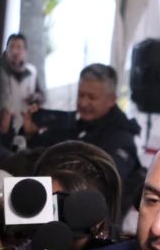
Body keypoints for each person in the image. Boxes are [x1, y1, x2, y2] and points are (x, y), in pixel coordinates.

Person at [25, 63, 145, 214]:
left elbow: (106, 184)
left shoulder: (121, 138)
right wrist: (32, 136)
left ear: (111, 100)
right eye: (80, 95)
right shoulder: (72, 124)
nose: (83, 103)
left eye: (92, 97)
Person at [0, 33, 43, 135]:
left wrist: (35, 97)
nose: (14, 52)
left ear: (25, 52)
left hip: (24, 125)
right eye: (11, 47)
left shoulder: (32, 71)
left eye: (19, 47)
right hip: (3, 126)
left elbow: (40, 94)